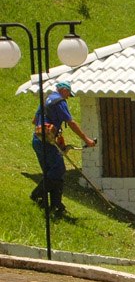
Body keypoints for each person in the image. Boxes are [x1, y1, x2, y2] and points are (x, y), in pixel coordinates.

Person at [31, 81, 96, 217]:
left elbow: (35, 120)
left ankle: (56, 205)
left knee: (52, 173)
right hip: (47, 143)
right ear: (64, 90)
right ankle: (37, 194)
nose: (67, 98)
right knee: (59, 170)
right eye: (68, 95)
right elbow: (71, 123)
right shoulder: (60, 102)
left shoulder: (46, 100)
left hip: (37, 140)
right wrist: (87, 140)